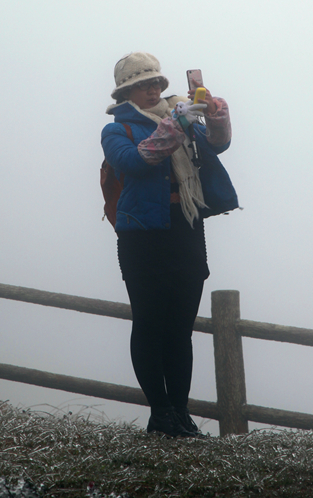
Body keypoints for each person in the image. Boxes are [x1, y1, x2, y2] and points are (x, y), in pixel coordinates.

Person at [101, 52, 238, 438]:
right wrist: (176, 124)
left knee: (180, 328)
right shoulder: (116, 130)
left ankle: (180, 413)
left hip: (186, 228)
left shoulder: (182, 118)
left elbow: (217, 145)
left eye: (156, 83)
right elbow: (136, 161)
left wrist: (215, 116)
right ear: (126, 93)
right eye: (142, 85)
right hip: (142, 236)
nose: (152, 90)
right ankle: (160, 413)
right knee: (148, 324)